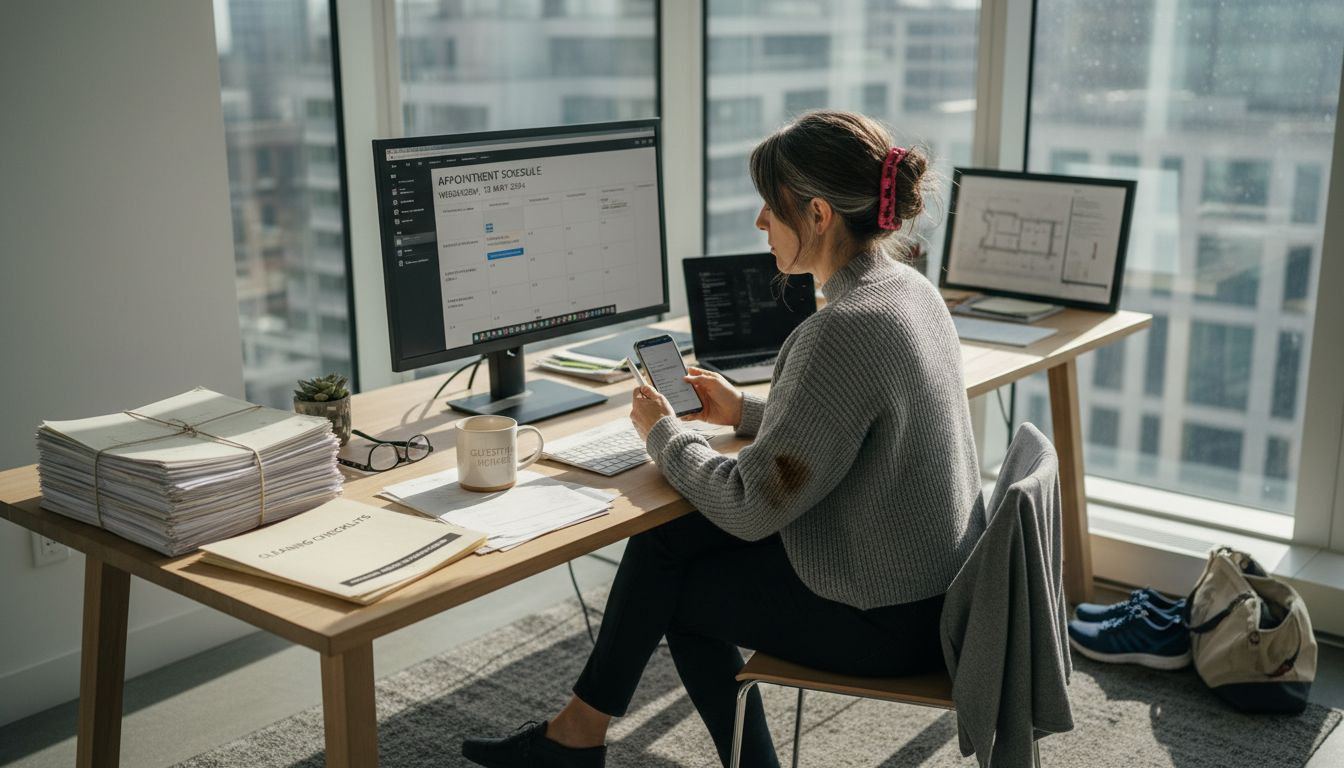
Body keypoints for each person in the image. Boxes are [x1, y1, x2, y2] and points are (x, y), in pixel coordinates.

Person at [461, 110, 986, 768]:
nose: (760, 224)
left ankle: (593, 742)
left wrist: (663, 435)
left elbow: (748, 505)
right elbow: (858, 428)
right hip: (931, 588)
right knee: (671, 538)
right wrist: (742, 411)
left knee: (680, 596)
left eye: (771, 206)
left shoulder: (841, 328)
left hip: (889, 617)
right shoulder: (906, 291)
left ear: (819, 215)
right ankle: (577, 734)